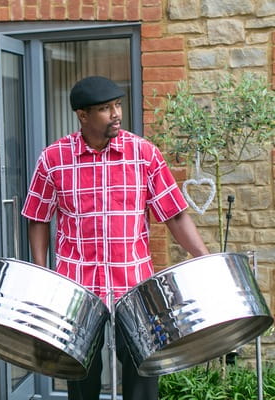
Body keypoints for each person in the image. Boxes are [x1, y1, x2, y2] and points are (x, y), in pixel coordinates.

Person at [21, 76, 209, 400]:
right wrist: (42, 274)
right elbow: (37, 217)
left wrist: (204, 261)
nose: (116, 113)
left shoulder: (144, 154)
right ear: (82, 115)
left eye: (117, 105)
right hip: (77, 288)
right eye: (105, 108)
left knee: (142, 374)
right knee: (81, 378)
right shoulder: (53, 159)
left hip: (134, 285)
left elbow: (174, 214)